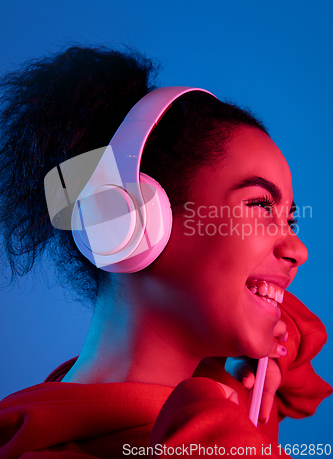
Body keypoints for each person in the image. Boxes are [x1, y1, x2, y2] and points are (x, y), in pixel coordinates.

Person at [0, 46, 331, 458]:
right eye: (261, 205)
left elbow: (302, 376)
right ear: (130, 219)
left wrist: (270, 348)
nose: (298, 249)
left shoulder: (238, 387)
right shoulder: (219, 433)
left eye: (290, 219)